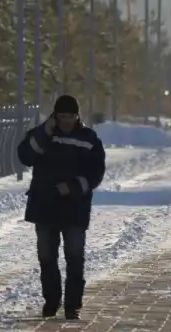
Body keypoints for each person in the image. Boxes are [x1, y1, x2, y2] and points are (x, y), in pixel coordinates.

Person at [17, 94, 107, 321]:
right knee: (46, 257)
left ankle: (72, 306)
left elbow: (96, 173)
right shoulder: (43, 134)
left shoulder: (89, 139)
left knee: (74, 257)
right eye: (63, 116)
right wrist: (45, 132)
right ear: (55, 116)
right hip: (44, 205)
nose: (67, 120)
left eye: (71, 116)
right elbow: (25, 156)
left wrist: (74, 186)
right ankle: (51, 300)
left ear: (78, 116)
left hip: (74, 207)